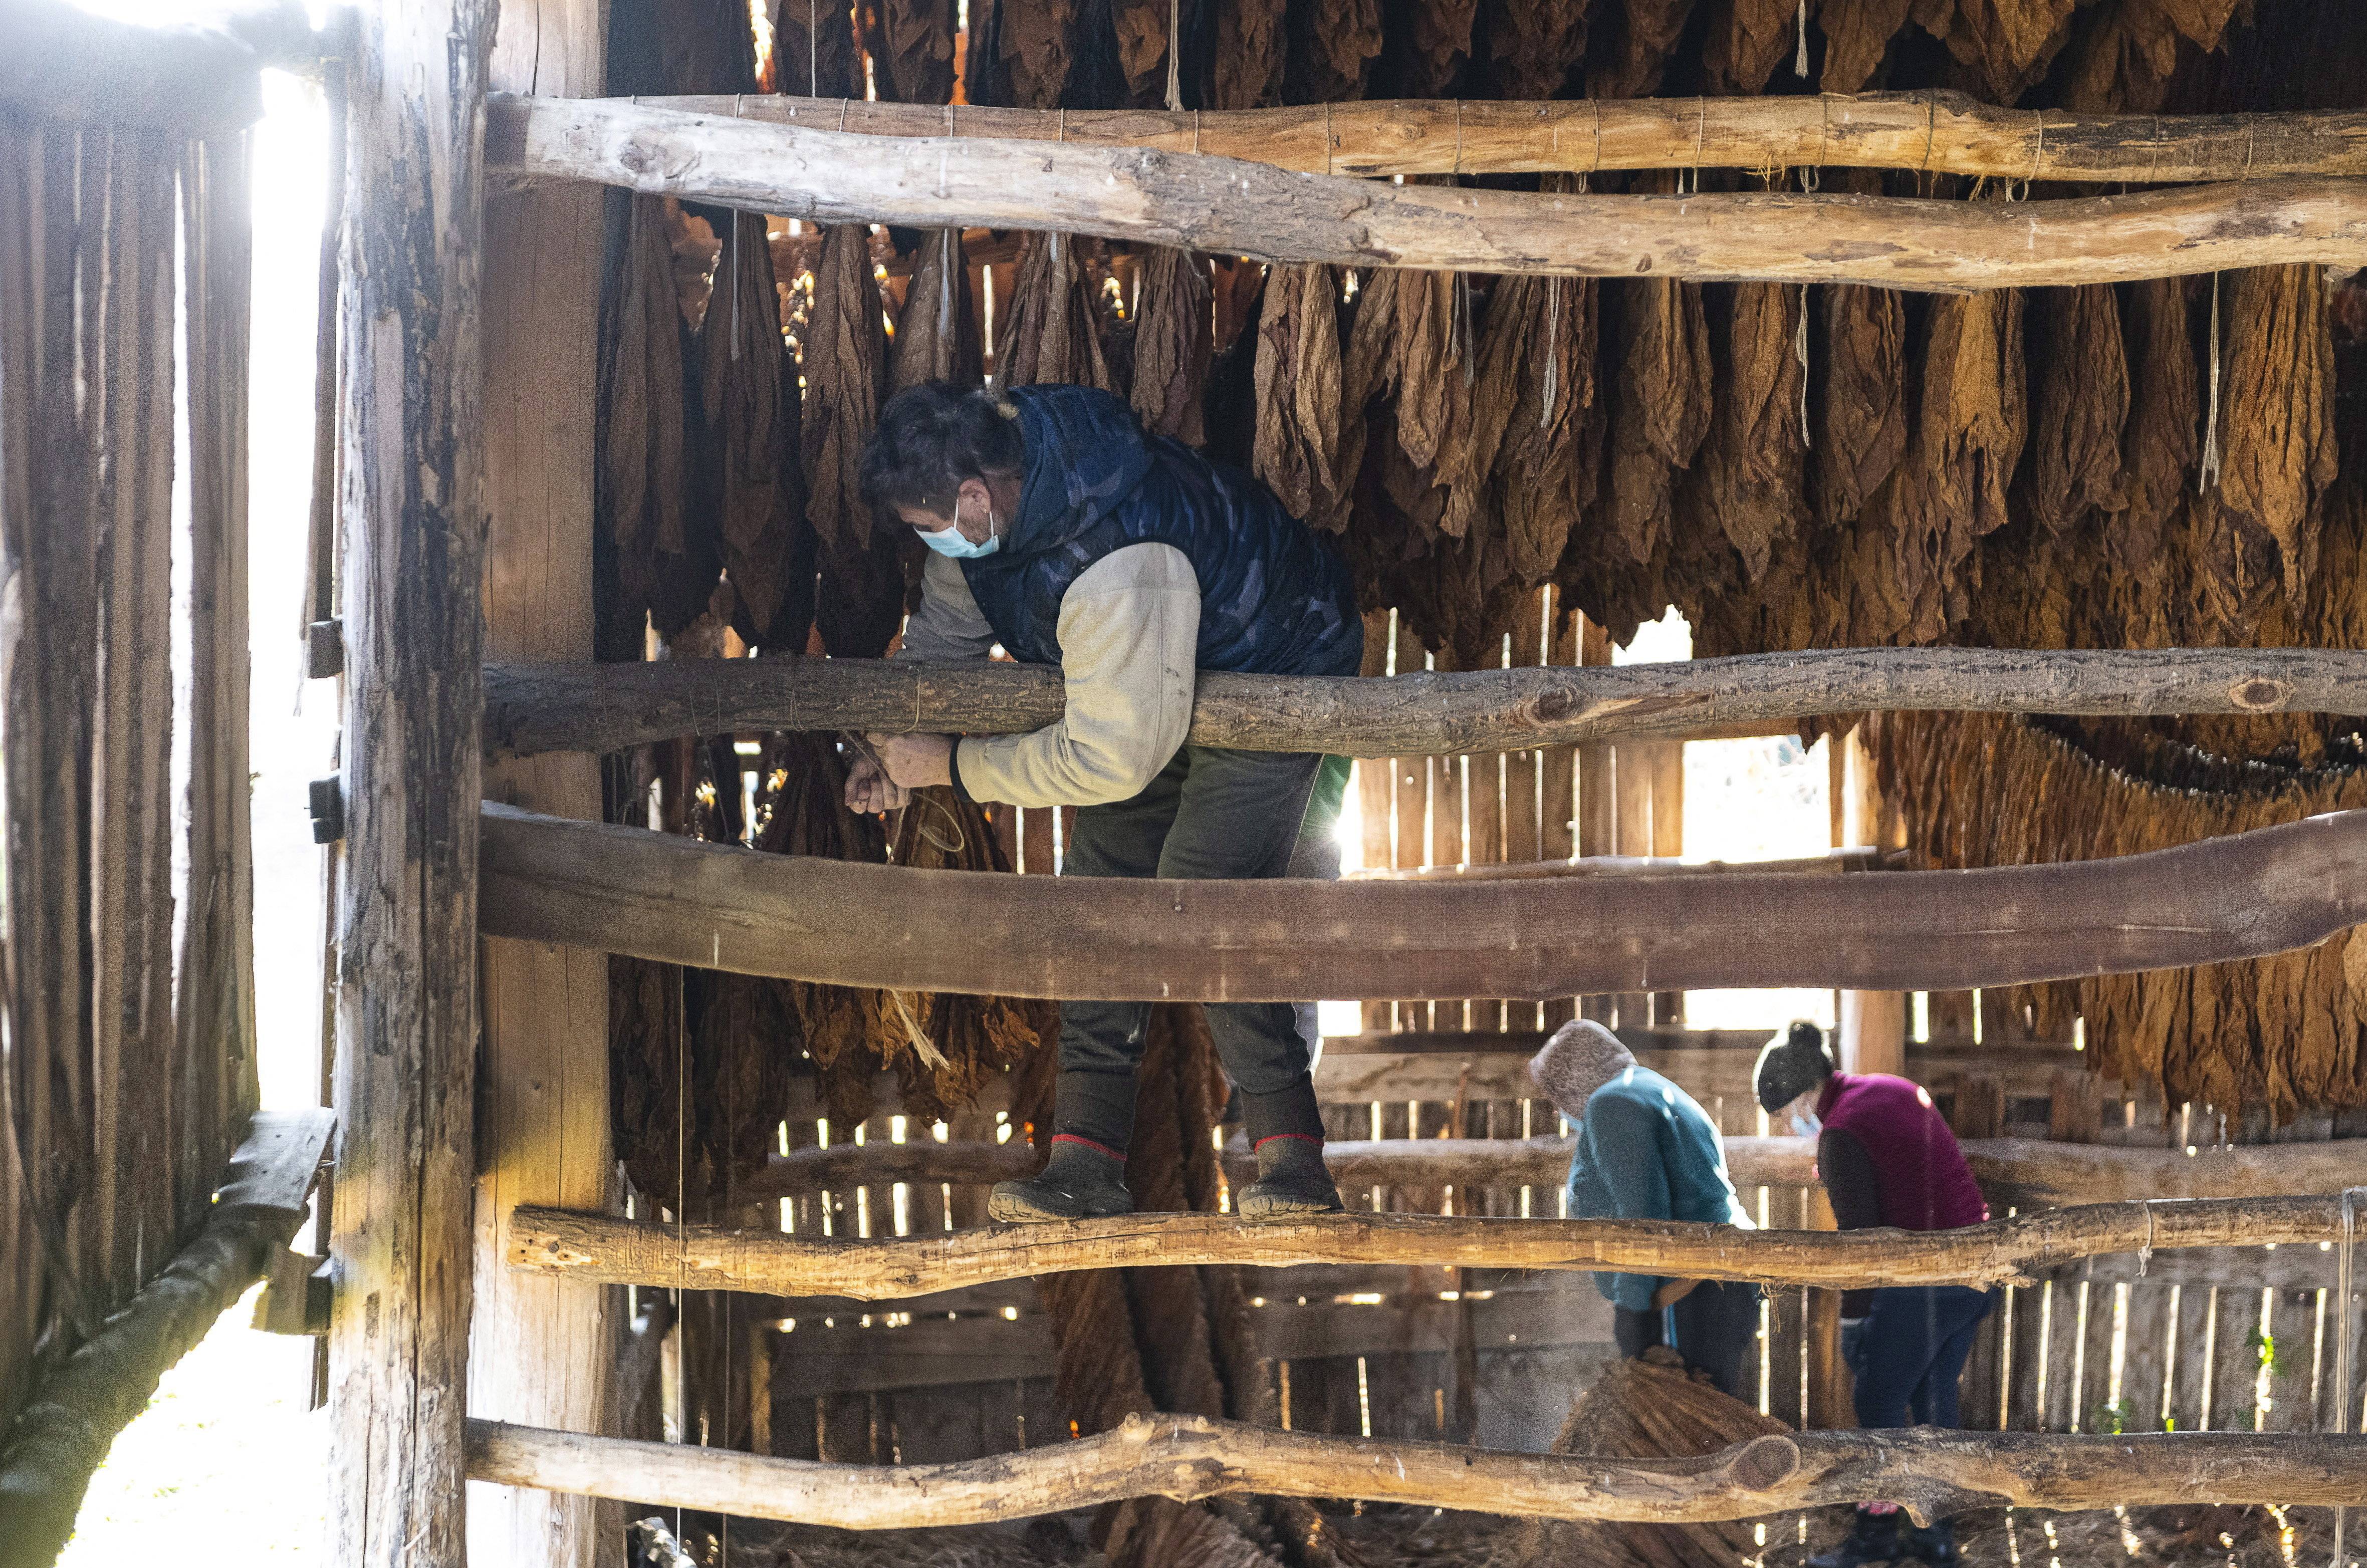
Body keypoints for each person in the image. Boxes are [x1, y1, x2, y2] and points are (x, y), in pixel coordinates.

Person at [848, 380, 1364, 1225]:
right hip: (1153, 681)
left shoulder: (1115, 561)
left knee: (1196, 898)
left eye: (929, 524)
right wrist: (889, 754)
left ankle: (1293, 1164)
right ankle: (1084, 1168)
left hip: (1278, 669)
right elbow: (939, 651)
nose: (931, 542)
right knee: (1096, 896)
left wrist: (951, 769)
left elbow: (1110, 761)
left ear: (973, 497)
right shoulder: (982, 510)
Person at [1755, 1020, 1993, 1567]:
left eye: (1784, 1114)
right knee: (1935, 1405)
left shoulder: (1841, 1133)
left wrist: (1853, 1325)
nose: (1789, 1125)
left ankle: (1873, 1538)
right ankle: (1933, 1538)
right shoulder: (1884, 1089)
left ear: (1802, 1095)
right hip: (1976, 1270)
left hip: (1924, 1282)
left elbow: (1858, 1247)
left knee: (1877, 1402)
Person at [1528, 1018, 1760, 1399]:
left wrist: (1634, 1311)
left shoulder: (1612, 1103)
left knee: (1690, 1428)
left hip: (1691, 1292)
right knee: (1712, 1419)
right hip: (1717, 1284)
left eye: (1556, 1096)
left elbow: (1643, 1217)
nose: (1559, 1111)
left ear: (1573, 1081)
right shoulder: (1650, 1088)